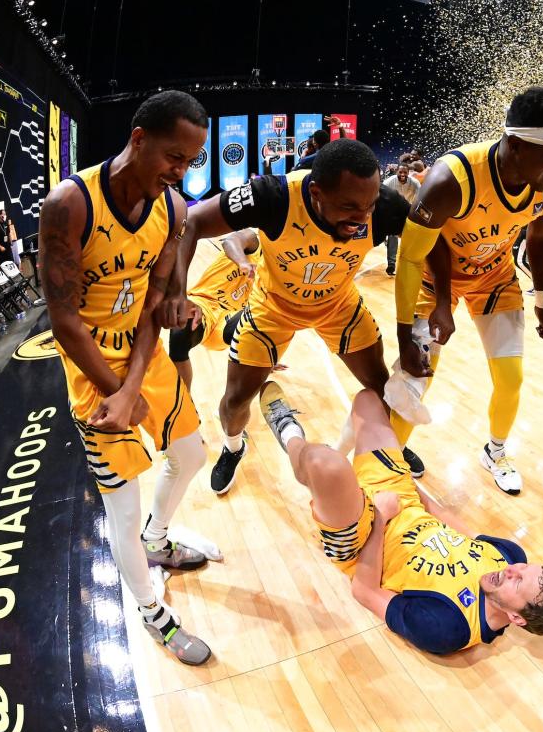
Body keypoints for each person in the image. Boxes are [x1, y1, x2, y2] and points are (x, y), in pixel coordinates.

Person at [40, 90, 217, 665]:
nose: (180, 171)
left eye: (190, 161)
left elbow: (153, 304)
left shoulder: (174, 211)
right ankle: (150, 610)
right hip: (91, 367)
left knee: (191, 455)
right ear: (138, 139)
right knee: (122, 500)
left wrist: (136, 383)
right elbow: (64, 321)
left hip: (139, 360)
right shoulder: (69, 204)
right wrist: (115, 393)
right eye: (173, 156)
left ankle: (157, 540)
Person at [169, 139, 426, 495]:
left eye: (368, 207)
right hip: (274, 307)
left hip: (338, 305)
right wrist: (177, 293)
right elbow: (193, 221)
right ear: (317, 192)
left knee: (381, 386)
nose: (362, 218)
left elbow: (433, 244)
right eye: (349, 207)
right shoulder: (273, 197)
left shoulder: (384, 206)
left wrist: (433, 309)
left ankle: (390, 441)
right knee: (236, 400)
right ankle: (233, 448)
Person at [255, 380, 543, 654]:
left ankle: (289, 433)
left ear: (516, 618)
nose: (512, 570)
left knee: (321, 464)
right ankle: (336, 478)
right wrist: (405, 483)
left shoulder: (448, 628)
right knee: (368, 402)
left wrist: (382, 519)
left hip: (363, 537)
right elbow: (439, 514)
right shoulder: (510, 557)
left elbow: (365, 592)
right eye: (525, 568)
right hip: (400, 498)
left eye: (518, 581)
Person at [392, 85, 543, 496]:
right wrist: (434, 309)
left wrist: (542, 301)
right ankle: (389, 463)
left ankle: (494, 452)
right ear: (514, 145)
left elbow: (539, 240)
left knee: (511, 379)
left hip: (494, 278)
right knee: (415, 377)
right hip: (433, 278)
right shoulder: (449, 179)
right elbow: (412, 255)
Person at [167, 229, 263, 388]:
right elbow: (230, 241)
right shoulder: (253, 240)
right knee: (180, 331)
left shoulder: (278, 270)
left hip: (229, 321)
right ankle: (185, 402)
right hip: (204, 304)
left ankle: (232, 403)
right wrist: (242, 262)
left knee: (254, 319)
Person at [382, 163, 419, 275]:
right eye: (400, 172)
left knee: (411, 236)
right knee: (392, 235)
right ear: (397, 172)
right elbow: (381, 197)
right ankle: (391, 264)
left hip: (409, 210)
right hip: (393, 211)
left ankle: (410, 262)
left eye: (405, 172)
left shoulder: (415, 183)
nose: (403, 174)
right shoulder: (389, 182)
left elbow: (419, 199)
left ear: (408, 173)